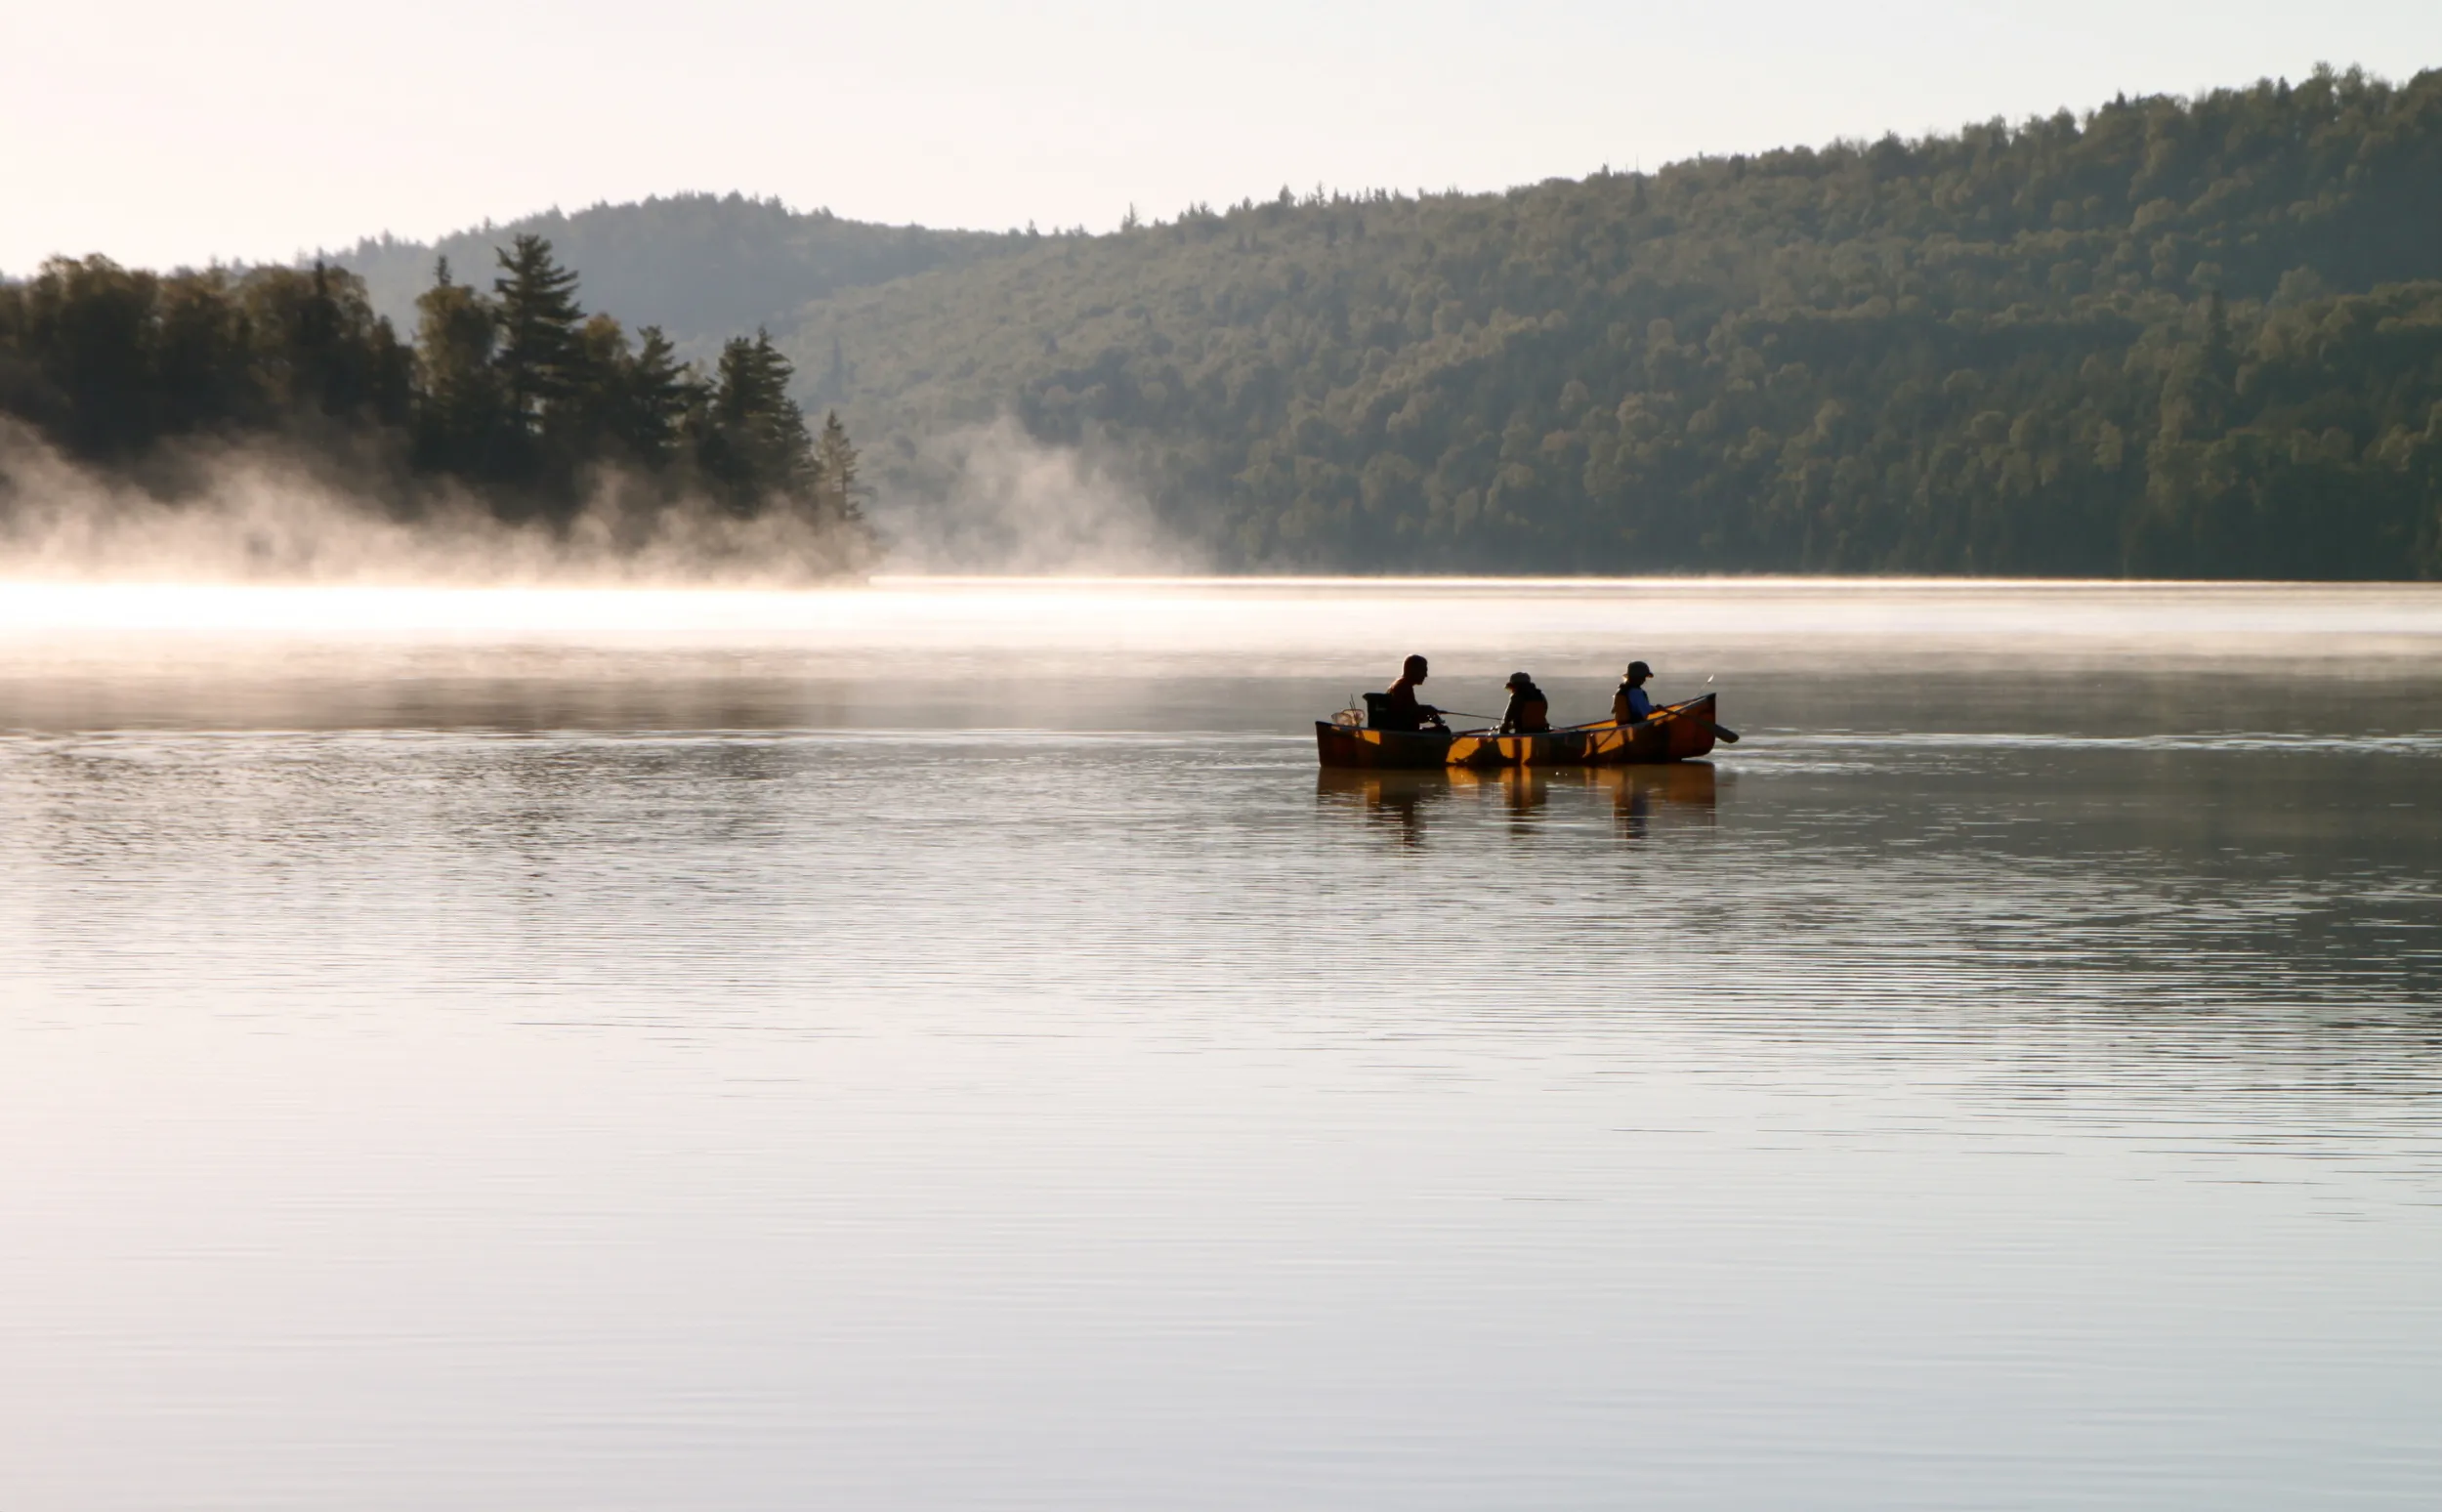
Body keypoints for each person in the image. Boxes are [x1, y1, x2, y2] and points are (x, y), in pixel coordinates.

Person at [1377, 654, 1443, 732]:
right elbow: (1410, 715)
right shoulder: (1403, 687)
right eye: (1424, 670)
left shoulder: (1399, 685)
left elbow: (1409, 710)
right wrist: (1427, 711)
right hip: (1404, 735)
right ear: (1414, 670)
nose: (1426, 675)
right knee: (1444, 731)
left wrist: (1427, 711)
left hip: (1400, 733)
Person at [1497, 671, 1551, 735]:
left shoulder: (1517, 697)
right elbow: (1543, 712)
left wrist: (1503, 728)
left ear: (1515, 685)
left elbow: (1508, 716)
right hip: (1541, 730)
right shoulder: (1540, 695)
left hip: (1523, 732)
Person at [1612, 660, 1656, 725]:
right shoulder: (1636, 692)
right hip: (1636, 728)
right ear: (1641, 678)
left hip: (1623, 727)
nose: (1644, 680)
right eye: (1644, 677)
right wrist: (1655, 708)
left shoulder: (1621, 690)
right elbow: (1646, 710)